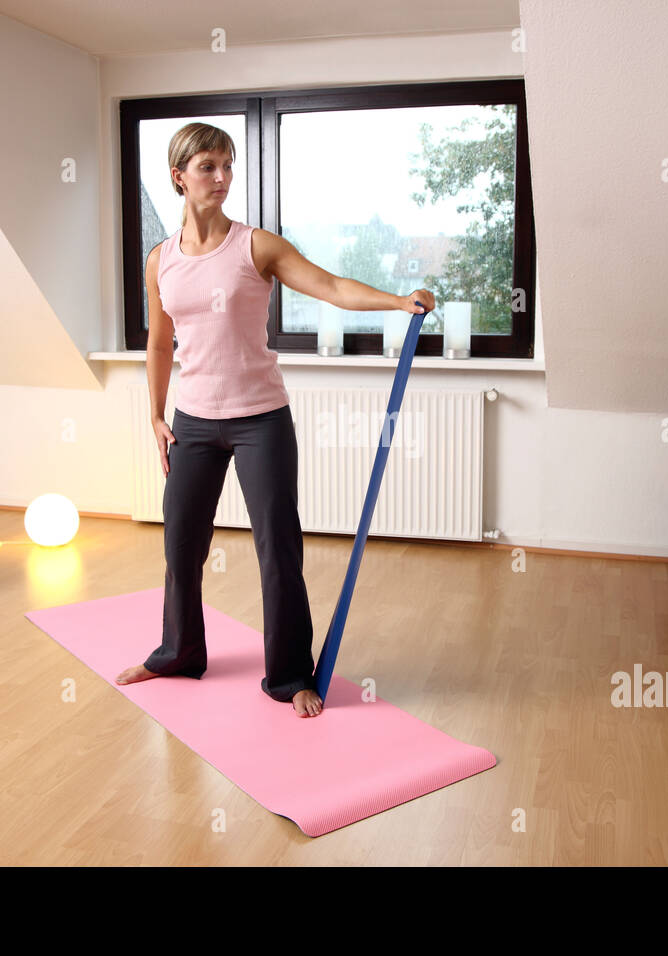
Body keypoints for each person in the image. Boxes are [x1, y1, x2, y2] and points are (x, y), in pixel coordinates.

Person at [115, 122, 435, 718]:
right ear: (178, 176)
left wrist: (398, 302)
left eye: (227, 166)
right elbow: (160, 345)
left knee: (277, 549)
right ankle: (178, 652)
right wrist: (155, 415)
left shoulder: (255, 246)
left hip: (261, 419)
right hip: (194, 422)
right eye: (208, 167)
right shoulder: (162, 260)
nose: (221, 177)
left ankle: (289, 676)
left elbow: (331, 285)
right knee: (181, 545)